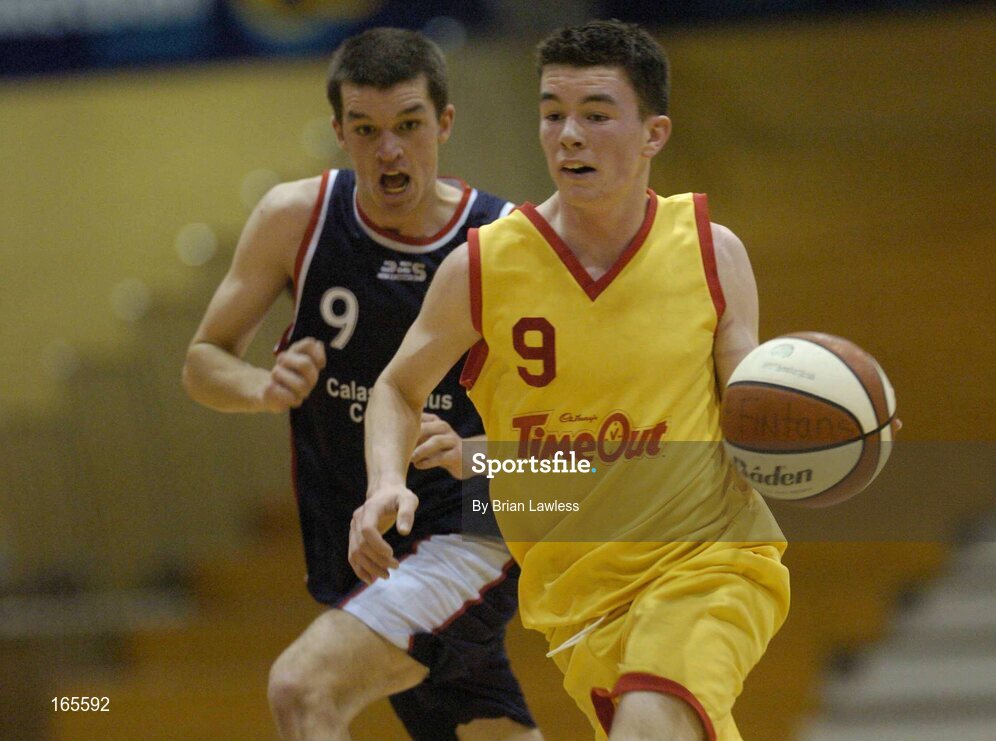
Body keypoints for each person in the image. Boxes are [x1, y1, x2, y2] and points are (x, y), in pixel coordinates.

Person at [352, 20, 793, 741]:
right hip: (576, 603)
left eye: (595, 114)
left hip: (709, 562)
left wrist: (824, 430)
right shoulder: (484, 268)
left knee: (651, 723)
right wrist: (384, 483)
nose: (568, 135)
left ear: (654, 134)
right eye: (553, 113)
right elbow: (399, 389)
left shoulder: (711, 252)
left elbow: (754, 411)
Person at [183, 27, 540, 741]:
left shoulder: (503, 241)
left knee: (301, 688)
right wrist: (261, 386)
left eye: (409, 125)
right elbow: (202, 361)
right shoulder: (298, 219)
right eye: (367, 129)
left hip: (471, 530)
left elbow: (571, 421)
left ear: (444, 122)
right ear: (340, 132)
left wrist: (478, 447)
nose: (390, 150)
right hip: (366, 544)